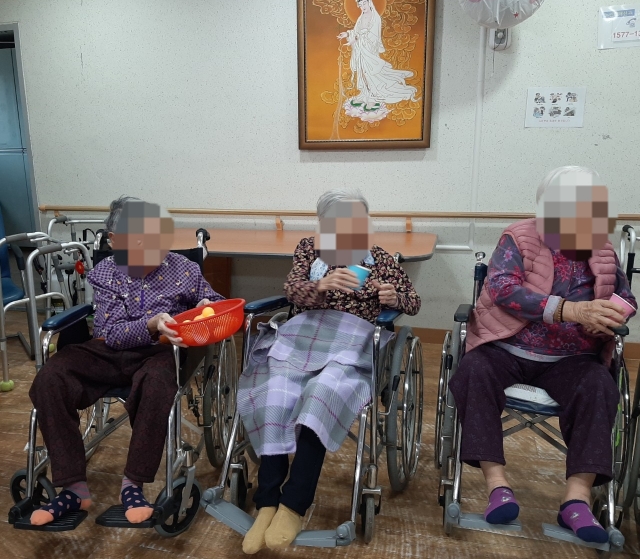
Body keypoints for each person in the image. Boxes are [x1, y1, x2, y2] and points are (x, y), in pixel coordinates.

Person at [449, 166, 636, 544]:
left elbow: (625, 296)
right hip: (506, 346)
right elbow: (503, 288)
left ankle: (576, 500)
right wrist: (571, 309)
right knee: (473, 371)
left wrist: (614, 313)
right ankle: (497, 485)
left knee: (600, 386)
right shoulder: (519, 237)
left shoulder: (601, 248)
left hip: (573, 358)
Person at [238, 188, 420, 553]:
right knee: (274, 395)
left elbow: (413, 302)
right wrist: (321, 284)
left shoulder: (380, 258)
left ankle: (293, 506)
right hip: (302, 337)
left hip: (351, 344)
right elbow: (292, 291)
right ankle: (267, 501)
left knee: (320, 397)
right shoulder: (311, 249)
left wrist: (393, 298)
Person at [29, 197, 224, 526]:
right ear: (115, 241)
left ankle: (133, 484)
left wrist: (206, 305)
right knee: (50, 378)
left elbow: (216, 304)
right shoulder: (106, 271)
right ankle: (74, 487)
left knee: (158, 383)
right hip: (109, 349)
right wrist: (151, 324)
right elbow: (112, 333)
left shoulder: (184, 268)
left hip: (161, 352)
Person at [338, 0, 418, 113]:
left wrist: (357, 39)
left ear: (369, 2)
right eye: (360, 5)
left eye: (364, 3)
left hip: (369, 50)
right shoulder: (361, 18)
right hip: (361, 50)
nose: (363, 7)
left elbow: (373, 36)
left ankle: (373, 98)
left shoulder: (376, 18)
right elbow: (356, 31)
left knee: (371, 73)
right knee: (362, 73)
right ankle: (365, 94)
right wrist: (347, 34)